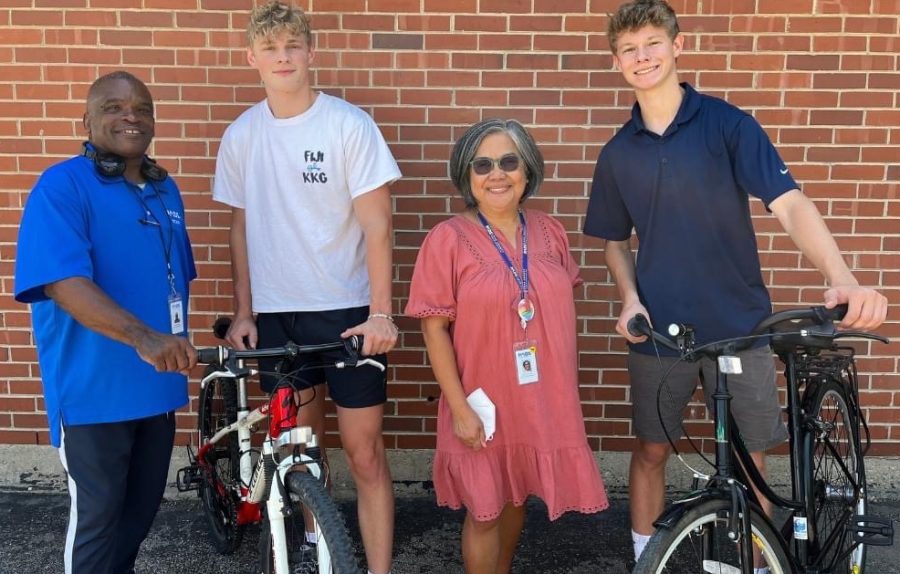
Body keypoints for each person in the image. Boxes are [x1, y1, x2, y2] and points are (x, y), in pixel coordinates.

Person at [583, 0, 889, 568]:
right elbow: (613, 241)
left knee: (752, 460)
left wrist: (840, 276)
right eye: (629, 49)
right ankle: (646, 556)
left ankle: (756, 560)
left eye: (652, 43)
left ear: (678, 46)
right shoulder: (617, 153)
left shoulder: (728, 124)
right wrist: (628, 297)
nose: (642, 56)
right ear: (617, 61)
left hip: (740, 326)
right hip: (660, 334)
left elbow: (790, 205)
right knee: (651, 450)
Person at [211, 3, 401, 573]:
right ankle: (320, 547)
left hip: (346, 314)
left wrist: (382, 313)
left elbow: (378, 225)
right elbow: (240, 229)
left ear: (311, 52)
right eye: (270, 49)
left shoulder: (348, 124)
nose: (283, 57)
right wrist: (245, 312)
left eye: (293, 45)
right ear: (253, 59)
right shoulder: (242, 135)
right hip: (277, 315)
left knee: (365, 454)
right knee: (302, 453)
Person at [406, 118, 609, 574]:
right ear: (466, 175)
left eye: (508, 161)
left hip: (537, 398)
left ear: (527, 170)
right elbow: (433, 330)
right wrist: (459, 409)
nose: (496, 174)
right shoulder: (448, 239)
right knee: (485, 510)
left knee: (517, 496)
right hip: (481, 399)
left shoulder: (549, 231)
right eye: (482, 164)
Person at [14, 71, 197, 574]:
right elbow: (63, 283)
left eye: (141, 106)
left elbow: (174, 282)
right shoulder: (62, 186)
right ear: (88, 121)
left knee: (136, 521)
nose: (130, 115)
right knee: (97, 525)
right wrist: (143, 336)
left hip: (157, 393)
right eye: (114, 107)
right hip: (94, 395)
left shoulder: (166, 191)